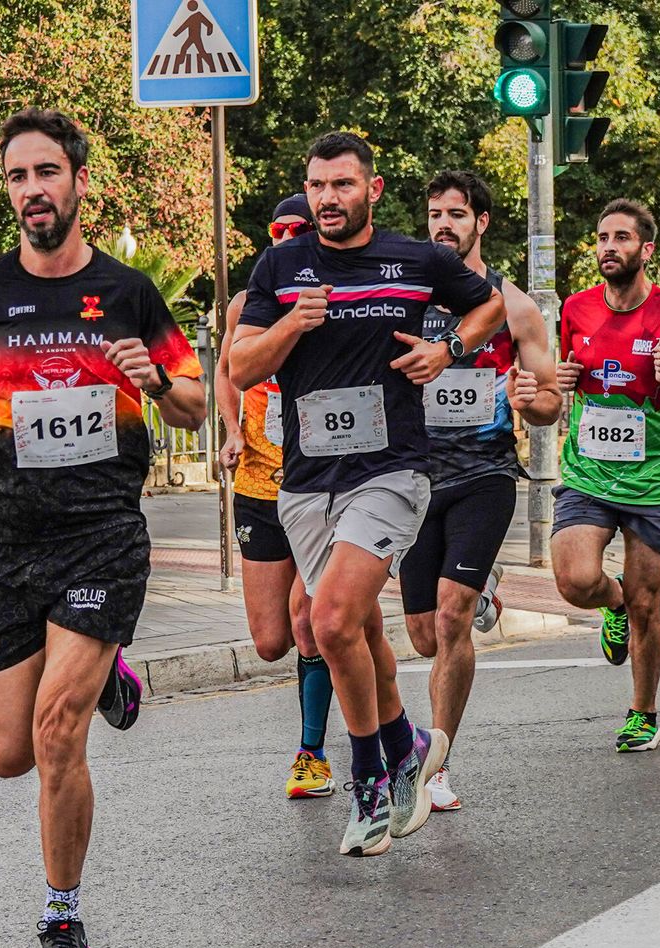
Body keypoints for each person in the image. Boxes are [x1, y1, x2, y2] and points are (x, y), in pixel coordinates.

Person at [0, 108, 205, 948]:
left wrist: (158, 382)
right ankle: (108, 670)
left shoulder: (127, 294)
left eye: (46, 173)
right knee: (5, 752)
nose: (32, 190)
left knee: (55, 729)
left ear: (78, 181)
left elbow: (194, 399)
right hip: (10, 545)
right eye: (16, 177)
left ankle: (62, 917)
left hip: (102, 538)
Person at [229, 131, 505, 857]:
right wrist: (292, 319)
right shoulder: (281, 266)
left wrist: (448, 350)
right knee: (358, 634)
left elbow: (490, 309)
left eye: (342, 186)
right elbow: (238, 364)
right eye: (317, 186)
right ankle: (407, 741)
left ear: (371, 190)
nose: (327, 199)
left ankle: (369, 780)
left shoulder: (415, 259)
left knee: (330, 620)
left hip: (391, 472)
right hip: (306, 483)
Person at [399, 169, 561, 812]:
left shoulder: (514, 306)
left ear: (480, 223)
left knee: (449, 616)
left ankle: (438, 764)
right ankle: (485, 587)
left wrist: (535, 399)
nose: (444, 224)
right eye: (435, 214)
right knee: (419, 635)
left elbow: (549, 403)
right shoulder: (406, 299)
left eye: (457, 214)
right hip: (413, 481)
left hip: (485, 476)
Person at [551, 199, 660, 752]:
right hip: (587, 473)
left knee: (649, 604)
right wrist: (563, 379)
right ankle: (613, 603)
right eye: (602, 238)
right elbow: (568, 381)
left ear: (645, 250)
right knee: (575, 580)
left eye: (622, 238)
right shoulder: (575, 310)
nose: (609, 247)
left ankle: (643, 712)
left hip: (654, 481)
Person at [216, 193, 339, 799]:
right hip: (260, 483)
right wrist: (233, 430)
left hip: (320, 484)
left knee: (307, 619)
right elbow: (224, 371)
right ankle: (348, 640)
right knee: (271, 642)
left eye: (300, 230)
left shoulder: (333, 300)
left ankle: (312, 752)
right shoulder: (249, 303)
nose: (287, 238)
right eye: (278, 231)